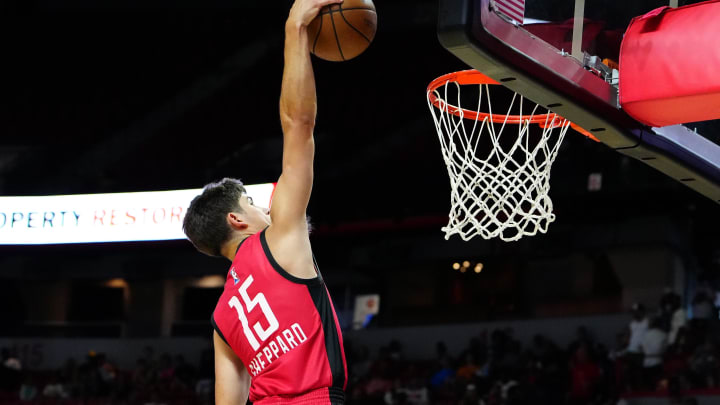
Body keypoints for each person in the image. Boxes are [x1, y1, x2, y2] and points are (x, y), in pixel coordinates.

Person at [182, 0, 347, 404]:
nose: (265, 208)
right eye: (252, 202)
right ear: (237, 219)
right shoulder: (278, 239)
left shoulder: (222, 318)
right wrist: (295, 30)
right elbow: (298, 125)